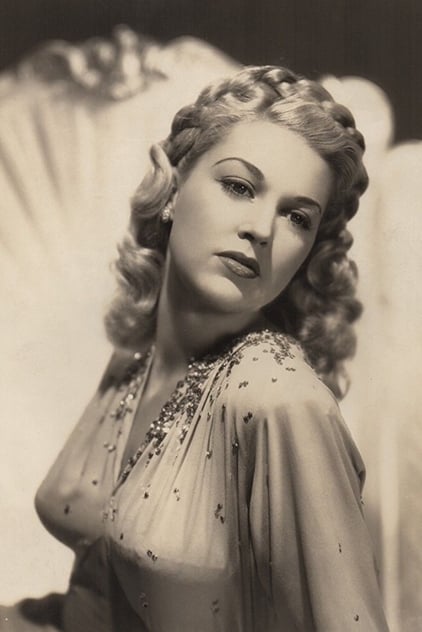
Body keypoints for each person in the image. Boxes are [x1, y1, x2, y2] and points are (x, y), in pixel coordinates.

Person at [1, 65, 389, 631]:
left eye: (297, 217)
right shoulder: (135, 357)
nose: (262, 229)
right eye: (240, 187)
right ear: (172, 188)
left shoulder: (278, 399)